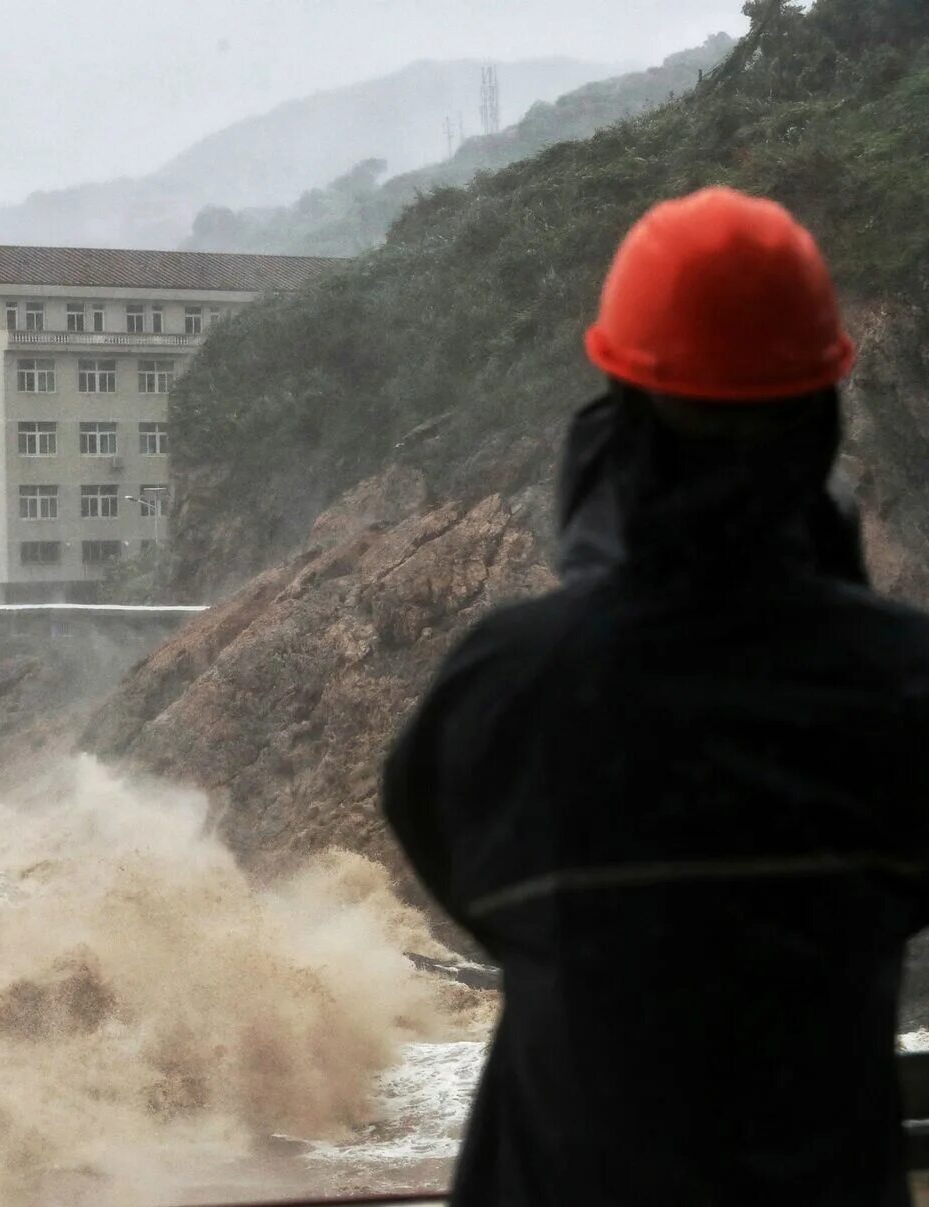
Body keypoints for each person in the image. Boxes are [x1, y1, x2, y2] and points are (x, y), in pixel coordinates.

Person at [382, 186, 929, 1205]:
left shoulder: (509, 683)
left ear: (616, 411)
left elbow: (467, 880)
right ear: (821, 412)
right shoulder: (900, 685)